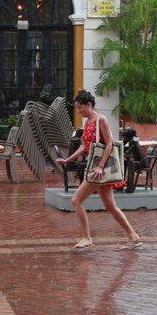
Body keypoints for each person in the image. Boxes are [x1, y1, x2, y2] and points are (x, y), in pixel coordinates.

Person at [55, 90, 142, 250]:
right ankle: (132, 235)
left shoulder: (101, 120)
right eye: (77, 108)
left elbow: (109, 143)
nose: (79, 111)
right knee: (111, 207)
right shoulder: (87, 122)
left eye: (80, 107)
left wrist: (101, 166)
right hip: (96, 170)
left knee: (76, 200)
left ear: (89, 105)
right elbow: (84, 146)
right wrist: (68, 160)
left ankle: (86, 237)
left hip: (98, 170)